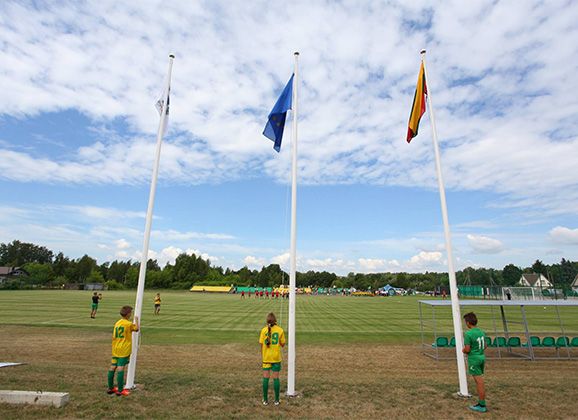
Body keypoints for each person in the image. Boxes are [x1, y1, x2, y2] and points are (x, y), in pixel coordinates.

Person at [107, 305, 140, 396]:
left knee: (113, 366)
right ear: (128, 314)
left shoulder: (117, 323)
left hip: (115, 348)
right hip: (123, 348)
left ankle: (110, 387)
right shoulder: (128, 324)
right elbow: (136, 329)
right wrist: (136, 320)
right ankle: (120, 390)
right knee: (121, 367)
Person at [259, 312, 285, 406]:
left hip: (266, 358)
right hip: (276, 358)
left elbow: (261, 344)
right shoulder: (280, 330)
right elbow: (283, 344)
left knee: (265, 378)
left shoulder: (263, 330)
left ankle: (265, 400)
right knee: (276, 378)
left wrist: (263, 355)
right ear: (275, 321)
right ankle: (277, 400)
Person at [462, 312, 487, 413]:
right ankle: (481, 403)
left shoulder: (468, 334)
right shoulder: (481, 332)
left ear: (468, 323)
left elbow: (467, 349)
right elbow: (485, 345)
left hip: (474, 359)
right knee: (479, 380)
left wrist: (463, 350)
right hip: (481, 357)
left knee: (479, 382)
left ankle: (482, 405)